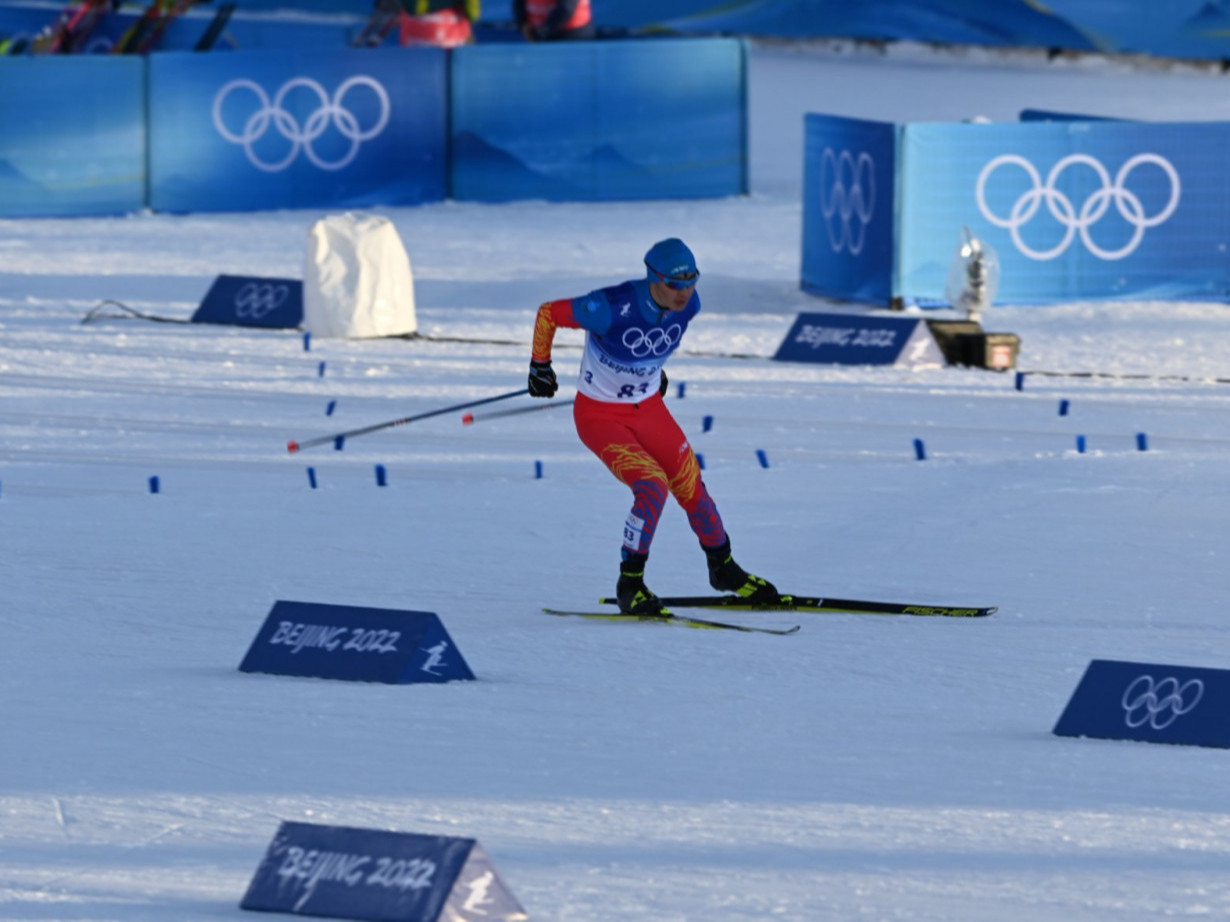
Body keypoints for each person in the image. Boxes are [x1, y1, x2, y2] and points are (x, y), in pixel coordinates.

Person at [526, 238, 780, 615]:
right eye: (675, 284)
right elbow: (549, 313)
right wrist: (540, 366)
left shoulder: (690, 306)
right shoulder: (610, 307)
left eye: (692, 281)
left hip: (648, 409)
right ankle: (630, 583)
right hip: (600, 416)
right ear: (653, 279)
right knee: (652, 486)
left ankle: (723, 568)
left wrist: (652, 373)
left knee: (691, 484)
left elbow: (650, 347)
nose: (684, 292)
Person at [513, 0, 594, 42]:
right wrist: (523, 25)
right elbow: (518, 4)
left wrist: (543, 32)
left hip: (573, 37)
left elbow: (566, 8)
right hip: (537, 36)